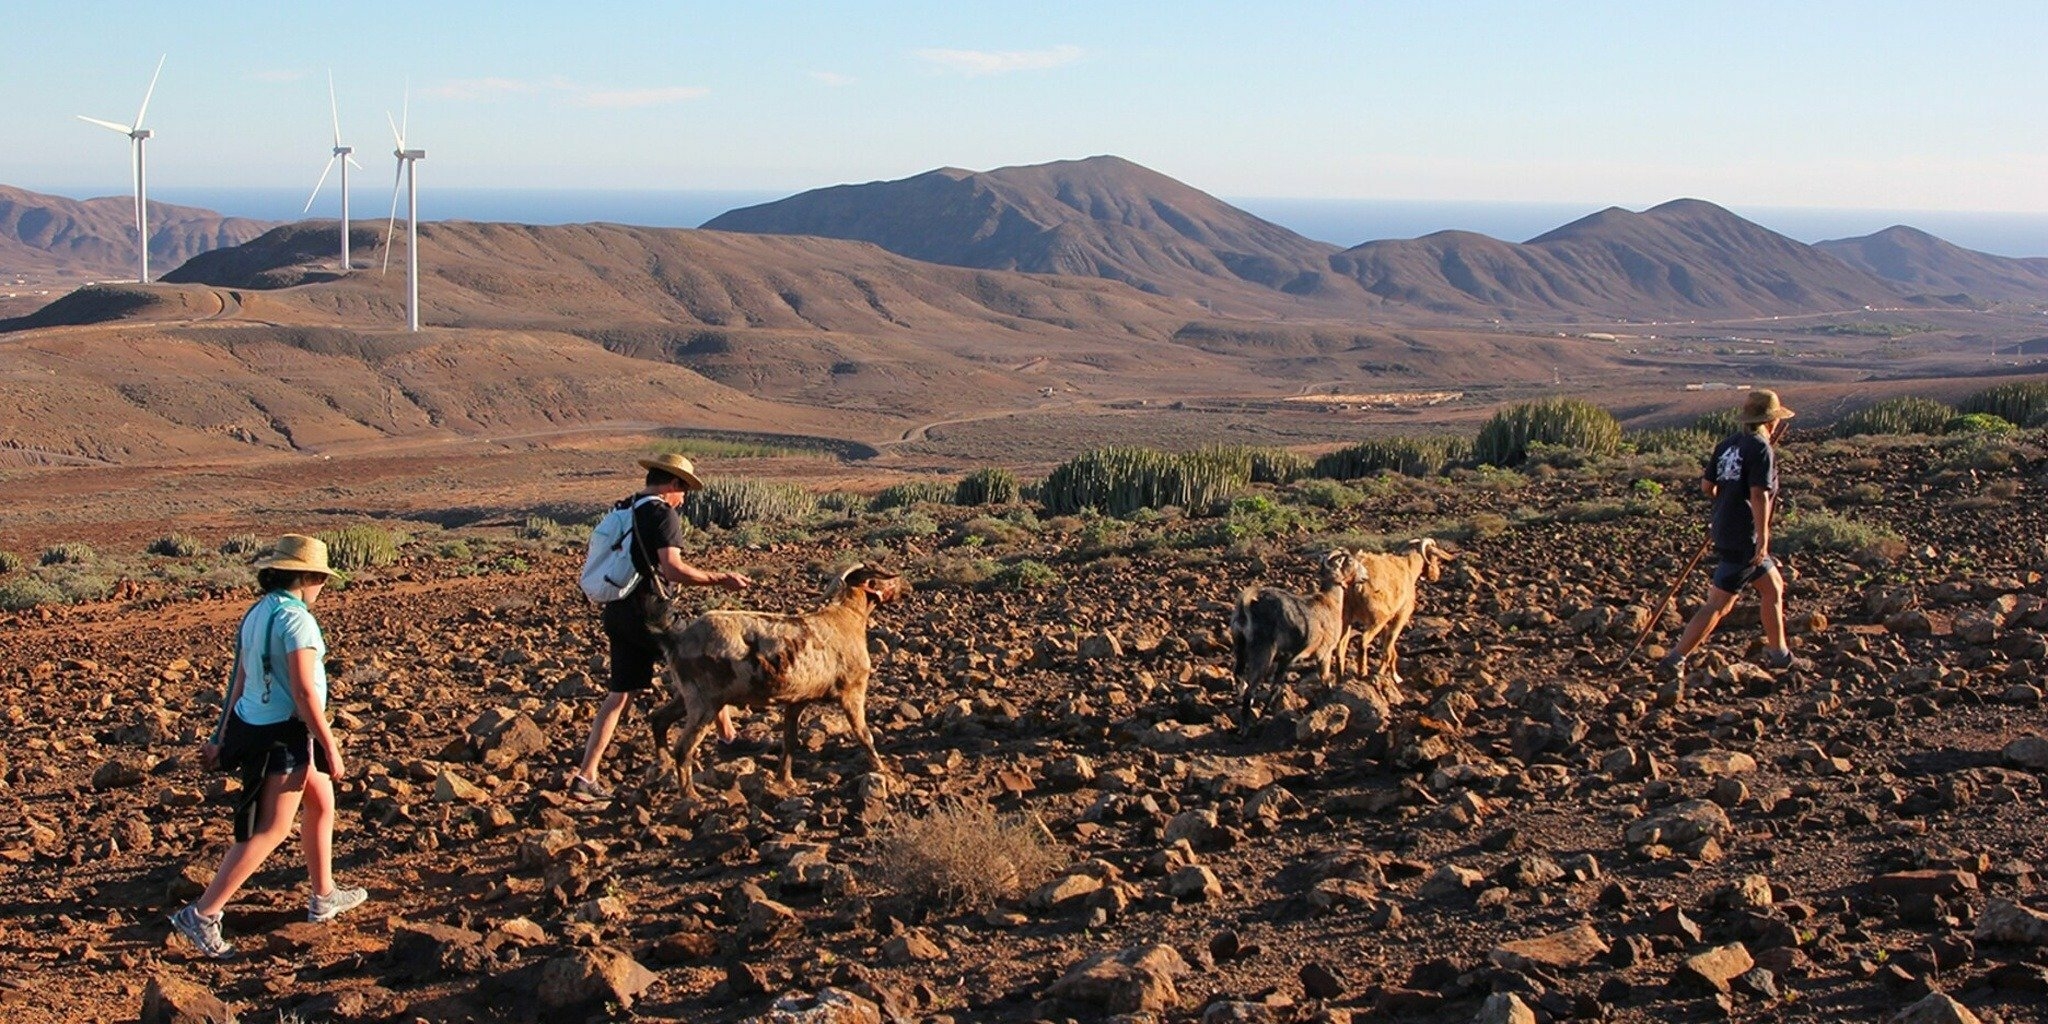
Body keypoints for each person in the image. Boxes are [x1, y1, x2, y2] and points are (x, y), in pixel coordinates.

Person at [171, 534, 365, 959]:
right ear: (307, 576)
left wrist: (220, 737)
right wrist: (329, 745)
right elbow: (303, 691)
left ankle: (324, 895)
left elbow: (237, 682)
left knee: (322, 804)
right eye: (321, 579)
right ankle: (202, 914)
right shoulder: (298, 621)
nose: (322, 588)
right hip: (284, 734)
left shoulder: (257, 612)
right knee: (270, 830)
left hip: (254, 725)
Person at [568, 453, 752, 803]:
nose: (683, 500)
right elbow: (672, 568)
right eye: (684, 491)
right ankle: (729, 739)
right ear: (674, 485)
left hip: (617, 612)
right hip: (652, 613)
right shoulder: (662, 513)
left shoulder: (626, 509)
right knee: (710, 660)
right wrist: (719, 579)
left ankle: (586, 775)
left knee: (620, 694)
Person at [1658, 389, 1801, 680]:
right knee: (1719, 604)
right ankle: (1676, 657)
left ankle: (1780, 654)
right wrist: (1762, 537)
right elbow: (1759, 494)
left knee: (1773, 587)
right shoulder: (1761, 448)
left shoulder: (1727, 445)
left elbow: (1707, 487)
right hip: (1745, 535)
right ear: (1770, 420)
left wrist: (1727, 501)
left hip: (1725, 526)